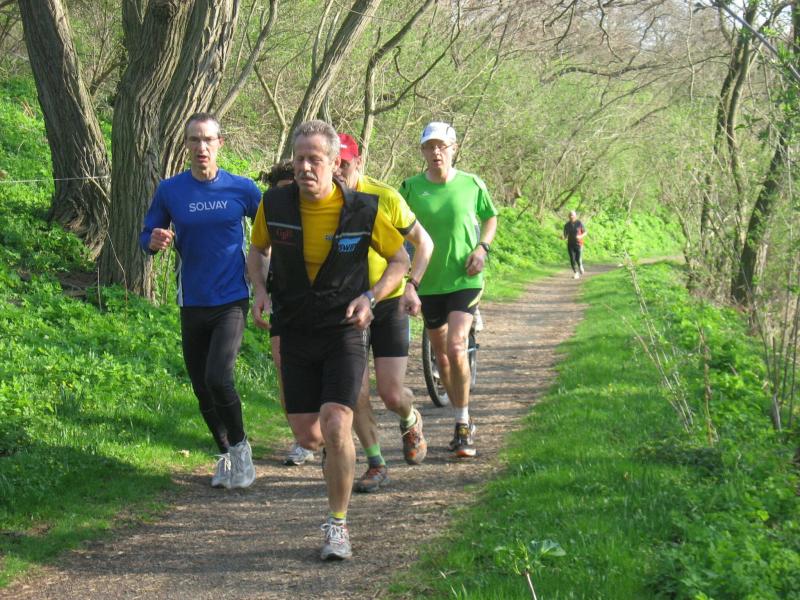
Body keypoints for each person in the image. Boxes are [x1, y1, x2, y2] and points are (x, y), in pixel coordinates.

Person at [247, 120, 408, 561]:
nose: (305, 167)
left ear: (336, 163)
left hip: (343, 330)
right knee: (309, 435)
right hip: (294, 327)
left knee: (337, 424)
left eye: (315, 159)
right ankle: (335, 457)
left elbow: (400, 259)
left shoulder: (363, 209)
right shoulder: (274, 204)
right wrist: (259, 289)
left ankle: (337, 525)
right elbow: (258, 249)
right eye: (299, 159)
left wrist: (371, 297)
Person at [139, 112, 259, 490]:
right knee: (201, 386)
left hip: (232, 298)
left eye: (208, 139)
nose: (201, 147)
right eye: (194, 140)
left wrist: (268, 272)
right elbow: (146, 235)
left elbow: (273, 229)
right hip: (191, 300)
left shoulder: (242, 189)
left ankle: (241, 450)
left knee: (218, 377)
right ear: (187, 145)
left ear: (220, 143)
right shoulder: (170, 191)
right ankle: (225, 454)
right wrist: (153, 241)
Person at [336, 133, 434, 493]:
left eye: (345, 163)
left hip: (389, 301)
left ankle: (410, 417)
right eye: (333, 162)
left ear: (358, 162)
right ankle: (376, 462)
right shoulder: (322, 200)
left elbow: (424, 243)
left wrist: (412, 285)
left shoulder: (386, 197)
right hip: (349, 306)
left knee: (391, 394)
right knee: (356, 390)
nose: (338, 170)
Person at [399, 121, 498, 458]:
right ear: (423, 151)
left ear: (454, 148)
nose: (436, 152)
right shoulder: (410, 188)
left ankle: (463, 424)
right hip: (427, 282)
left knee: (456, 347)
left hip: (464, 278)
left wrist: (482, 248)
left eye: (441, 146)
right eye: (429, 147)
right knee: (441, 355)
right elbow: (395, 227)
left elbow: (490, 217)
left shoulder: (471, 184)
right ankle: (459, 418)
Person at [261, 160, 316, 466]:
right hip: (283, 304)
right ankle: (301, 439)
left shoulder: (317, 211)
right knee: (285, 372)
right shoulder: (271, 212)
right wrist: (261, 291)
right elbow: (259, 251)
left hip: (320, 306)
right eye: (281, 190)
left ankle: (326, 430)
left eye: (290, 189)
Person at [562, 210, 586, 279]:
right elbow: (565, 236)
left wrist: (580, 236)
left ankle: (580, 265)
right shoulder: (566, 225)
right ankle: (576, 273)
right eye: (570, 215)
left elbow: (585, 232)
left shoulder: (579, 223)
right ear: (568, 216)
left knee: (578, 259)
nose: (571, 216)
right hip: (570, 244)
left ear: (575, 216)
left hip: (579, 244)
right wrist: (563, 238)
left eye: (572, 215)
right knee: (572, 259)